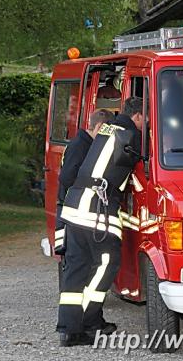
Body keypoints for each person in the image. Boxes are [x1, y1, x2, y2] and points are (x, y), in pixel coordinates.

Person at [57, 97, 144, 347]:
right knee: (106, 264)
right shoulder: (130, 135)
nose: (145, 123)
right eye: (145, 119)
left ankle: (69, 331)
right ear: (137, 116)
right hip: (96, 212)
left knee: (75, 270)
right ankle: (90, 320)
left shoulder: (107, 129)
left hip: (75, 208)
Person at [54, 109, 114, 258]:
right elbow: (67, 178)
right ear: (100, 127)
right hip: (69, 209)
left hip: (73, 210)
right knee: (72, 260)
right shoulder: (80, 146)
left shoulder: (83, 143)